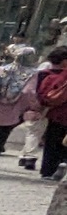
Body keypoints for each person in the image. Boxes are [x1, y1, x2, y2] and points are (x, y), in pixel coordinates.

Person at [33, 45, 67, 178]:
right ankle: (61, 169)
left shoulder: (44, 73)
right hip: (63, 112)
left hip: (52, 112)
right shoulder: (64, 75)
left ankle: (47, 170)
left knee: (51, 142)